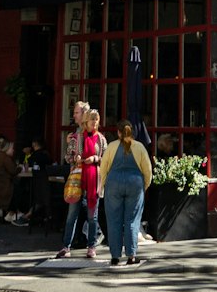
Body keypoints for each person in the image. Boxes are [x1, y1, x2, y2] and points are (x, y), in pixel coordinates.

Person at [100, 119, 152, 266]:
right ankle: (131, 255)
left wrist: (103, 186)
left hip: (114, 184)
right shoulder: (139, 147)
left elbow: (104, 168)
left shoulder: (111, 146)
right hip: (135, 184)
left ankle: (115, 256)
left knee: (114, 221)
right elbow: (147, 170)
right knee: (132, 220)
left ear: (118, 133)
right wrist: (144, 186)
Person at [56, 107, 105, 259]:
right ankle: (66, 246)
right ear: (86, 122)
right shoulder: (77, 138)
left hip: (93, 180)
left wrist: (95, 159)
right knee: (72, 215)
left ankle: (91, 246)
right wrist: (75, 158)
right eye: (92, 120)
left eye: (97, 120)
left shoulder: (101, 139)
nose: (95, 123)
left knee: (92, 216)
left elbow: (106, 159)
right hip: (78, 179)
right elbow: (67, 157)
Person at [0, 139, 24, 224]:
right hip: (6, 188)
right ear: (7, 149)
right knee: (23, 188)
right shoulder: (5, 158)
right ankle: (15, 212)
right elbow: (13, 171)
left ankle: (11, 212)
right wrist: (20, 168)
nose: (13, 150)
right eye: (12, 148)